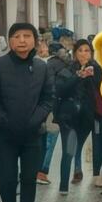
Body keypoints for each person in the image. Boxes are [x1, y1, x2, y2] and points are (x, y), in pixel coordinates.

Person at [0, 22, 53, 202]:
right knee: (7, 179)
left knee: (29, 178)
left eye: (27, 36)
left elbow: (48, 99)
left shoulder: (42, 67)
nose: (22, 41)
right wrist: (5, 120)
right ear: (10, 41)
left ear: (35, 40)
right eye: (17, 36)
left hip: (33, 135)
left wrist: (35, 120)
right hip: (5, 134)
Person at [52, 38, 97, 194]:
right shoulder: (68, 69)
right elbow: (60, 90)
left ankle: (77, 169)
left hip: (86, 117)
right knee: (68, 150)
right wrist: (78, 76)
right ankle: (63, 186)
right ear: (75, 53)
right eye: (80, 50)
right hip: (69, 117)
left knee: (77, 147)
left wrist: (93, 74)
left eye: (87, 51)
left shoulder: (95, 69)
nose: (84, 54)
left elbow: (101, 91)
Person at [37, 39, 69, 184]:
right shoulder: (62, 66)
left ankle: (35, 170)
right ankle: (42, 172)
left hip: (42, 106)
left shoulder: (43, 64)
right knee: (51, 140)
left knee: (42, 140)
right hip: (55, 107)